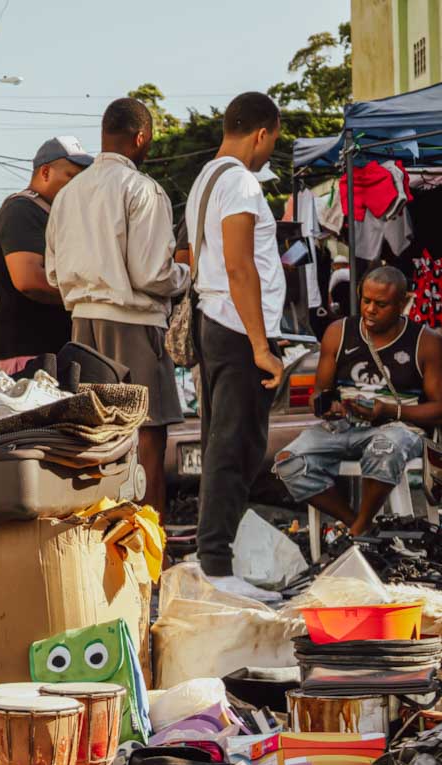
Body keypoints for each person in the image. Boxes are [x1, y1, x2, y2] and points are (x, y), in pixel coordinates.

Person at [45, 98, 188, 517]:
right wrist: (184, 273)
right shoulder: (143, 189)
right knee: (147, 436)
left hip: (82, 326)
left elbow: (54, 274)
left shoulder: (69, 193)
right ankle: (148, 547)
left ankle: (103, 538)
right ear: (141, 138)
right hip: (134, 324)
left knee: (96, 438)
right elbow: (151, 276)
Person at [185, 92, 286, 600]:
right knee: (236, 444)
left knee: (224, 441)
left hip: (216, 324)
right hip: (236, 326)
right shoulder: (242, 182)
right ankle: (218, 566)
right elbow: (239, 265)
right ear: (262, 133)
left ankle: (216, 558)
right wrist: (262, 344)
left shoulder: (205, 179)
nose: (270, 152)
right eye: (274, 141)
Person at [276, 267, 442, 534]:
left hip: (398, 428)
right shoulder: (338, 332)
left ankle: (359, 528)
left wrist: (385, 410)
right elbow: (319, 392)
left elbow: (439, 409)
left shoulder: (426, 342)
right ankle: (359, 525)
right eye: (366, 301)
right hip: (344, 426)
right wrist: (327, 407)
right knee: (288, 461)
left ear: (402, 303)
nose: (370, 310)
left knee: (383, 449)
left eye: (381, 304)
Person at [0, 136, 93, 374]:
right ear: (45, 172)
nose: (79, 186)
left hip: (54, 351)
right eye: (72, 177)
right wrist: (87, 297)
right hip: (30, 355)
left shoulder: (52, 215)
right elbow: (29, 280)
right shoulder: (22, 211)